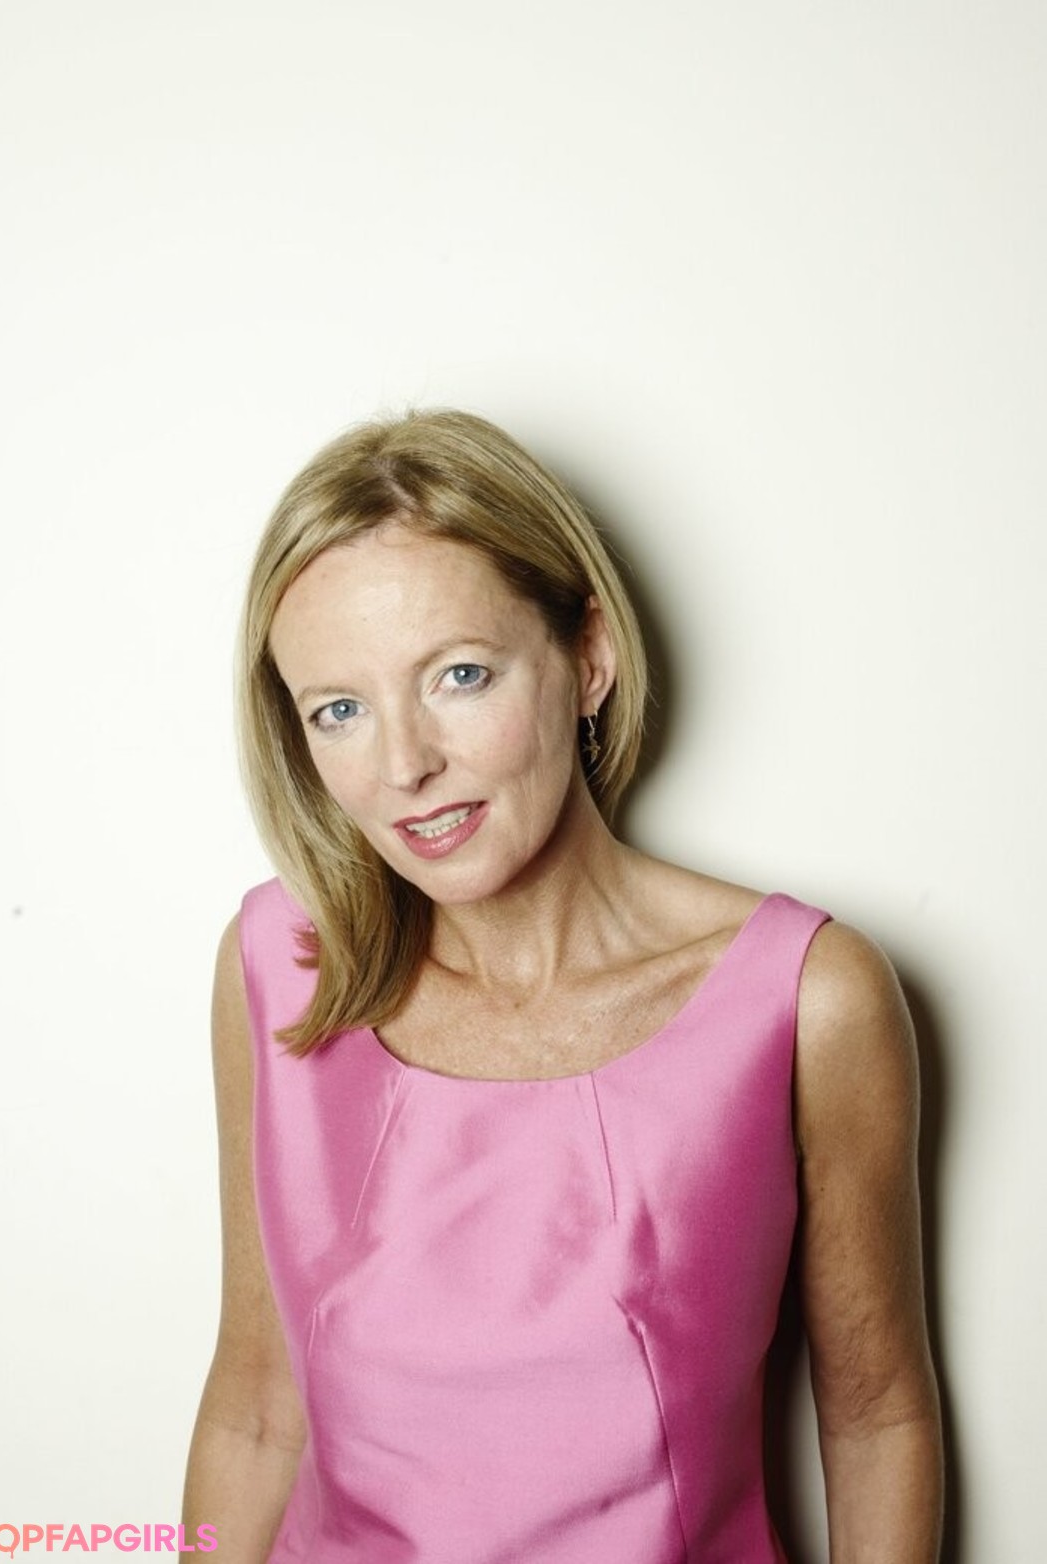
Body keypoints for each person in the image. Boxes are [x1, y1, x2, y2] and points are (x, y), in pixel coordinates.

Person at [181, 409, 943, 1563]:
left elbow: (878, 1414)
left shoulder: (804, 999)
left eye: (460, 675)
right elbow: (252, 1408)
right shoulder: (278, 968)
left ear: (589, 657)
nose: (403, 764)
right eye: (340, 708)